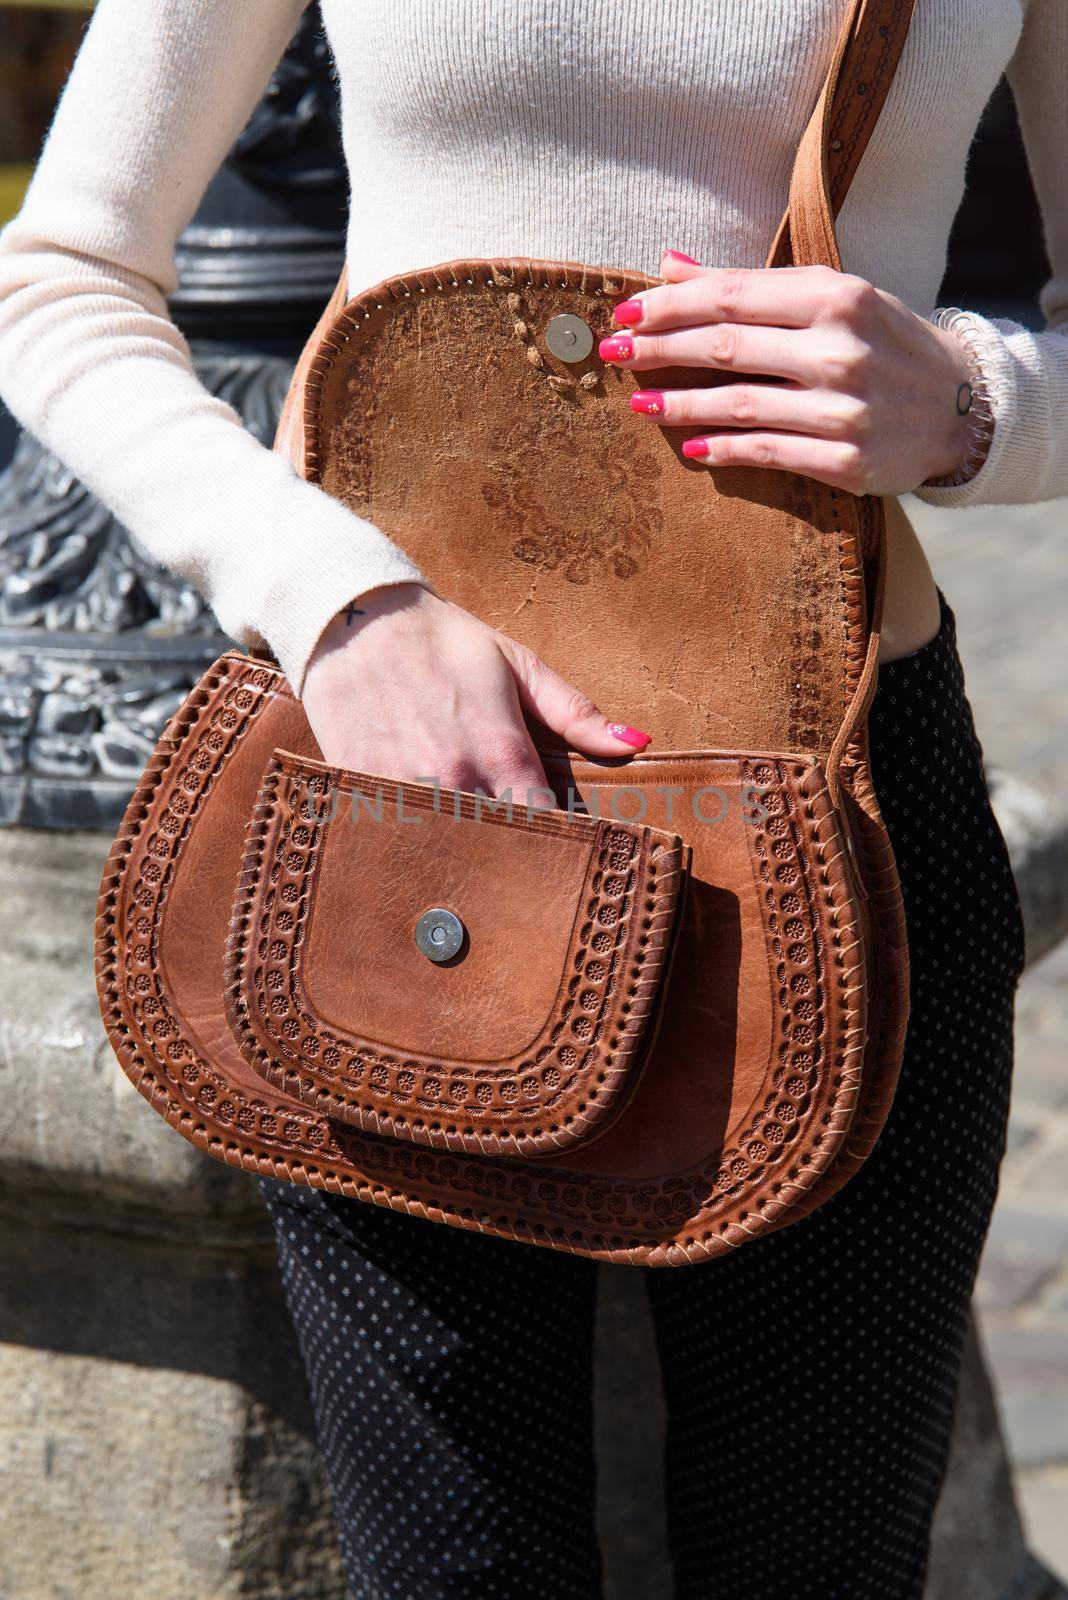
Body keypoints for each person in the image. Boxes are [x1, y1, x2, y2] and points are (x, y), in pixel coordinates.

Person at [0, 1, 1060, 1594]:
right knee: (449, 1573)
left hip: (838, 801)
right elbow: (61, 272)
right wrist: (333, 599)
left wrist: (975, 401)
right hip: (399, 798)